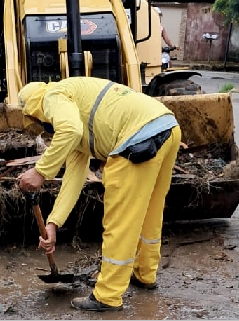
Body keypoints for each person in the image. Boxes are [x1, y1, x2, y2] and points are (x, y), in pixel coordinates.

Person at [17, 76, 181, 312]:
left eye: (36, 120)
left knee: (120, 223)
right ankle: (145, 273)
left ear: (35, 110)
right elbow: (74, 179)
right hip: (167, 126)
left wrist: (40, 172)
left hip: (138, 138)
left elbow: (70, 130)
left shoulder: (52, 96)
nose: (42, 125)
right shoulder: (77, 108)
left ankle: (108, 295)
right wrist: (53, 223)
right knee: (149, 213)